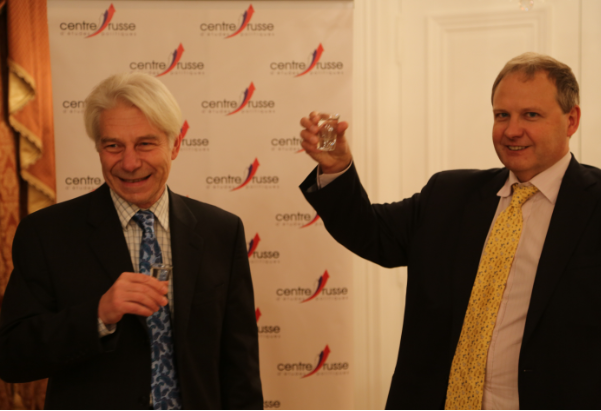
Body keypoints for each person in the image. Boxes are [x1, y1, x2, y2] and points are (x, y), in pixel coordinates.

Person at [299, 52, 601, 409]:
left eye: (531, 115)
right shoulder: (448, 195)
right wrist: (337, 168)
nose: (511, 130)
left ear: (571, 120)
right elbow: (370, 231)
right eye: (502, 115)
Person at [0, 73, 263, 409]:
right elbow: (11, 356)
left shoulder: (221, 231)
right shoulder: (46, 233)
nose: (129, 163)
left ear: (176, 144)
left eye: (145, 144)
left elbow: (240, 365)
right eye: (113, 146)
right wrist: (98, 316)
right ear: (99, 147)